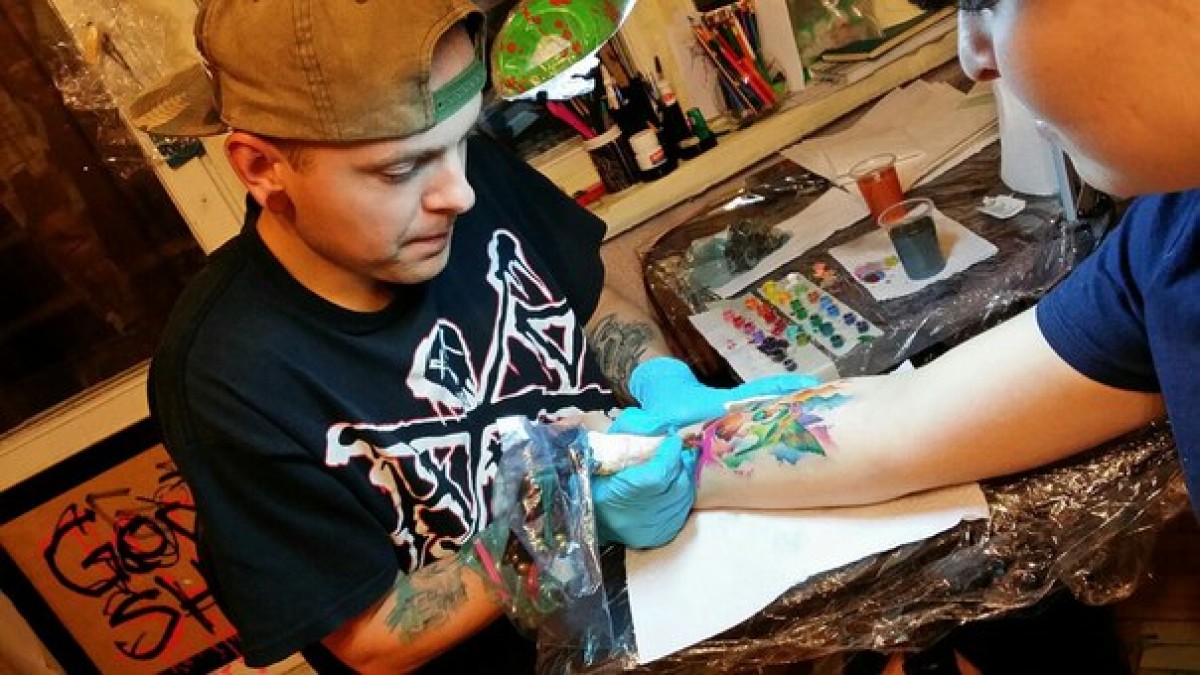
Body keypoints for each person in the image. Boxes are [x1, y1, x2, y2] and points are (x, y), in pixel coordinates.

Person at [135, 1, 810, 672]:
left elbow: (583, 299)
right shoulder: (225, 375)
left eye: (460, 140)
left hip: (679, 600)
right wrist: (557, 531)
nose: (458, 194)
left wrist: (657, 377)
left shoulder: (471, 178)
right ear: (262, 168)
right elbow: (369, 640)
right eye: (401, 169)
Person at [604, 0, 1200, 671]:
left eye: (988, 3)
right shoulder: (1168, 239)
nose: (974, 59)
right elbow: (905, 420)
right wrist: (690, 455)